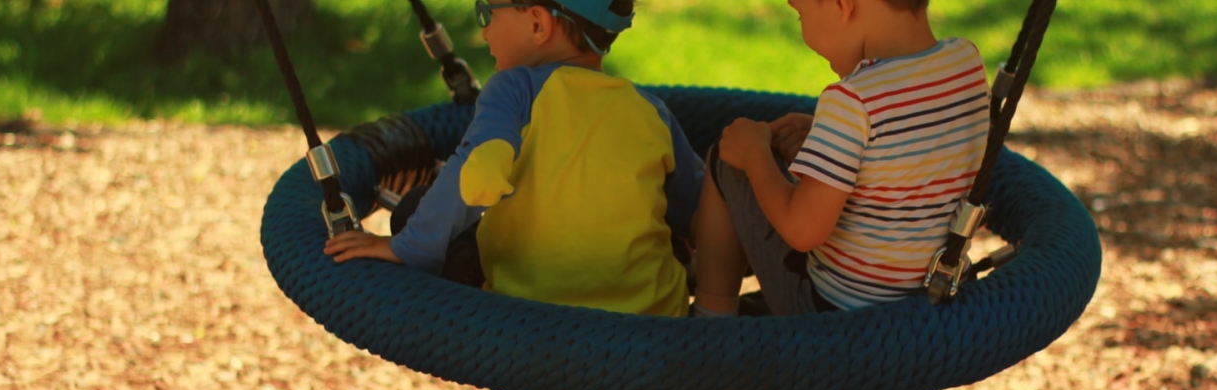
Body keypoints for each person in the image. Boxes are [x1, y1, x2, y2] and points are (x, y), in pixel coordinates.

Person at [324, 0, 704, 317]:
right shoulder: (651, 111)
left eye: (487, 12)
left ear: (538, 23)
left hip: (526, 306)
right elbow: (698, 211)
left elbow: (480, 177)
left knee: (415, 206)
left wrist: (407, 246)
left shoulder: (514, 88)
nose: (484, 31)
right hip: (649, 314)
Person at [691, 0, 990, 316]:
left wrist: (754, 156)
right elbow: (917, 148)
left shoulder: (852, 100)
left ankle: (710, 325)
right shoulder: (966, 61)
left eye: (799, 13)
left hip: (835, 315)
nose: (803, 30)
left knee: (727, 160)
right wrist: (828, 140)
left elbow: (802, 231)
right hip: (935, 294)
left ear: (842, 5)